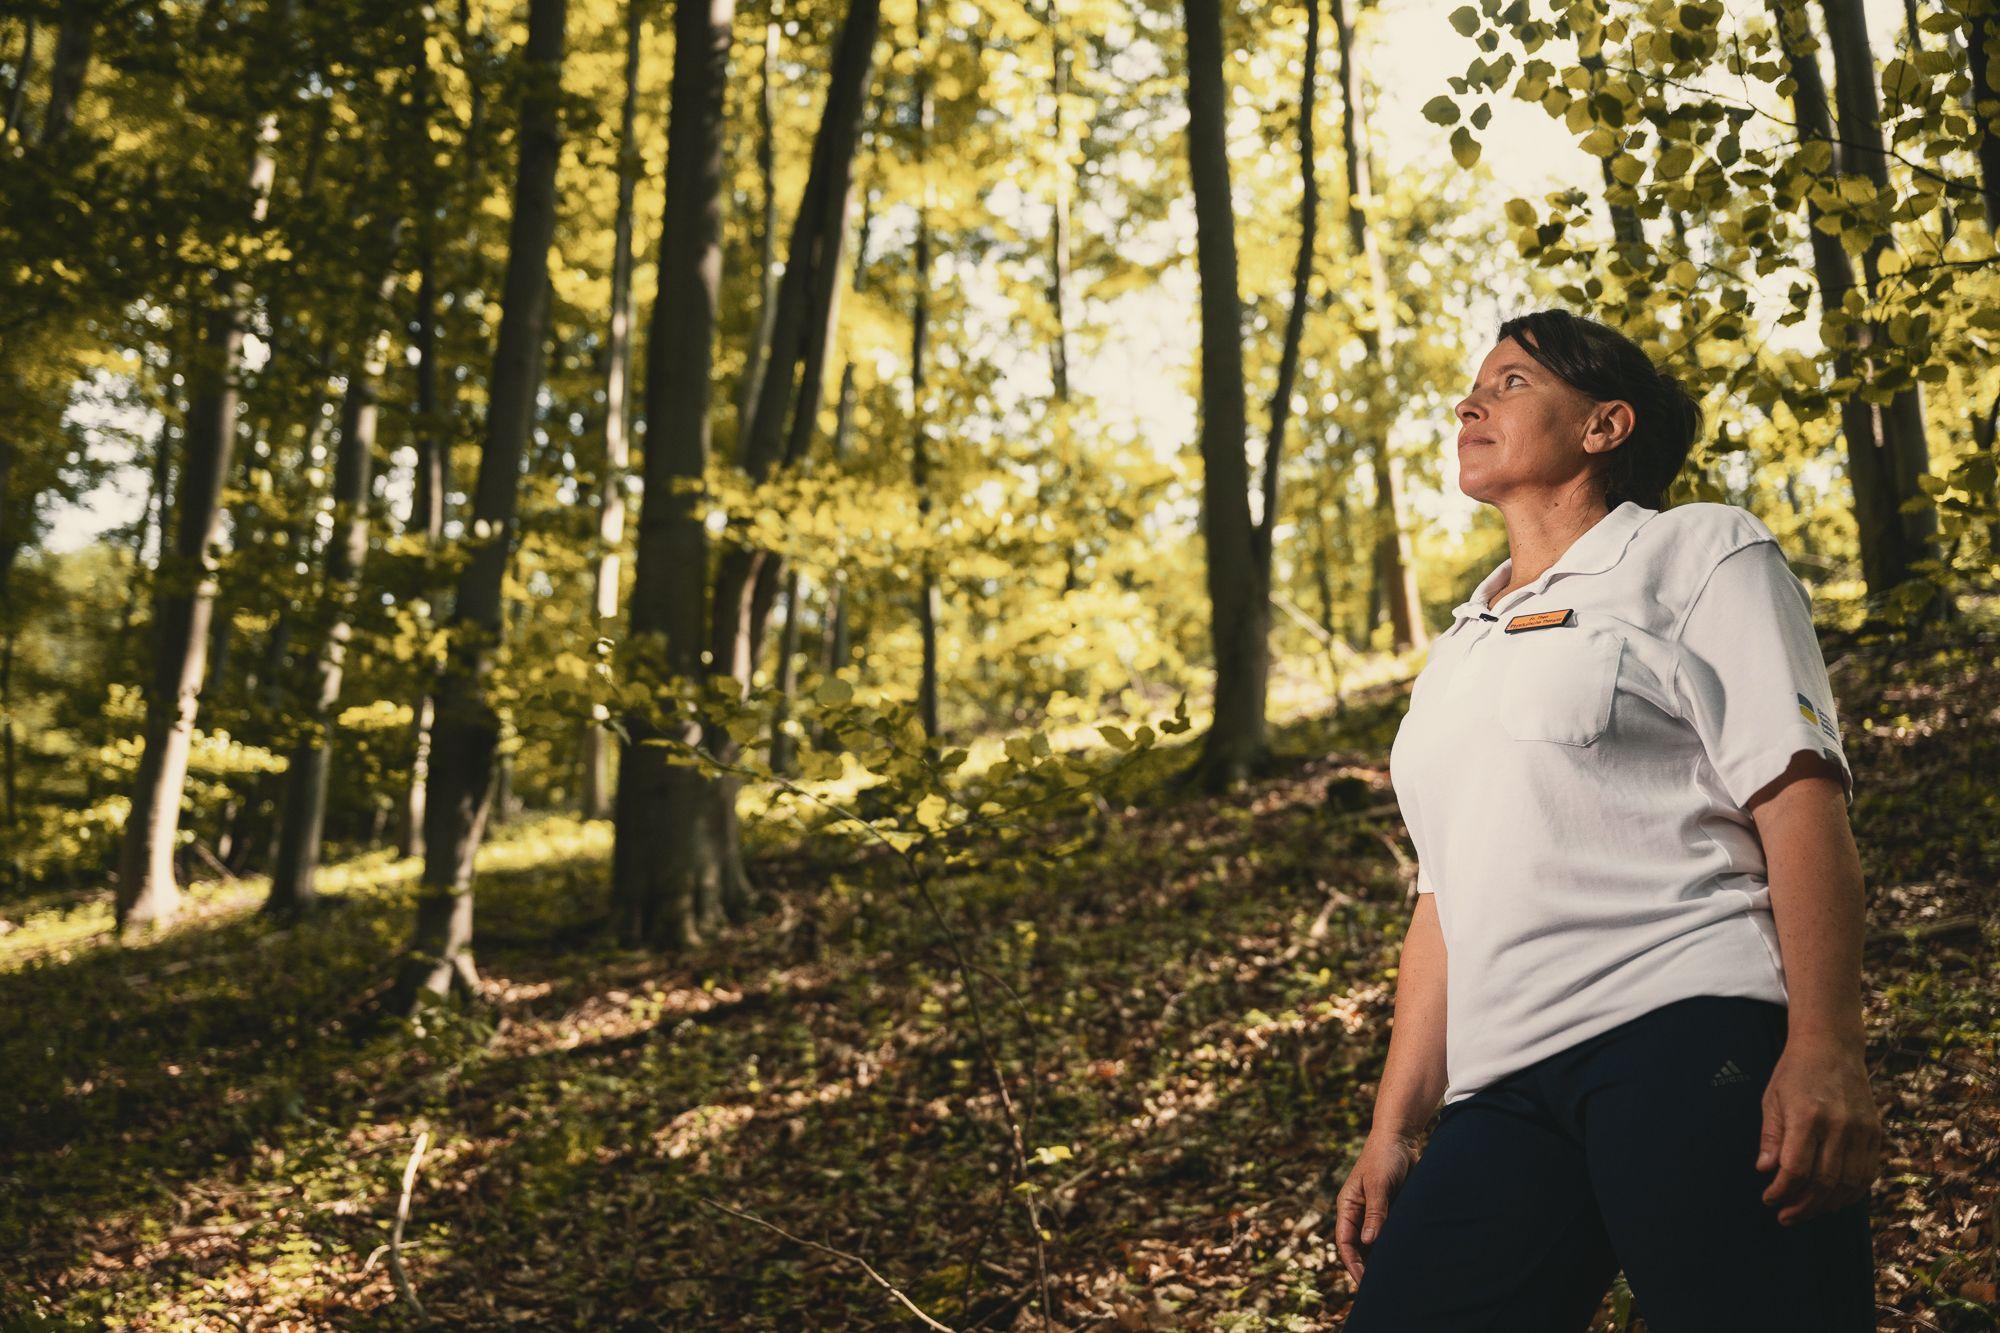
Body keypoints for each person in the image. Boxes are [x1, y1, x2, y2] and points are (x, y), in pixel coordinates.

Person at [1332, 309, 1883, 1331]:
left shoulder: (1696, 551)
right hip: (1499, 1092)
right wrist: (1395, 1129)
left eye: (1508, 384)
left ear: (1603, 426)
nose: (1470, 402)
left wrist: (1824, 1045)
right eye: (1472, 386)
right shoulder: (1457, 647)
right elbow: (1443, 899)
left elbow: (1796, 795)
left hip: (1683, 1028)